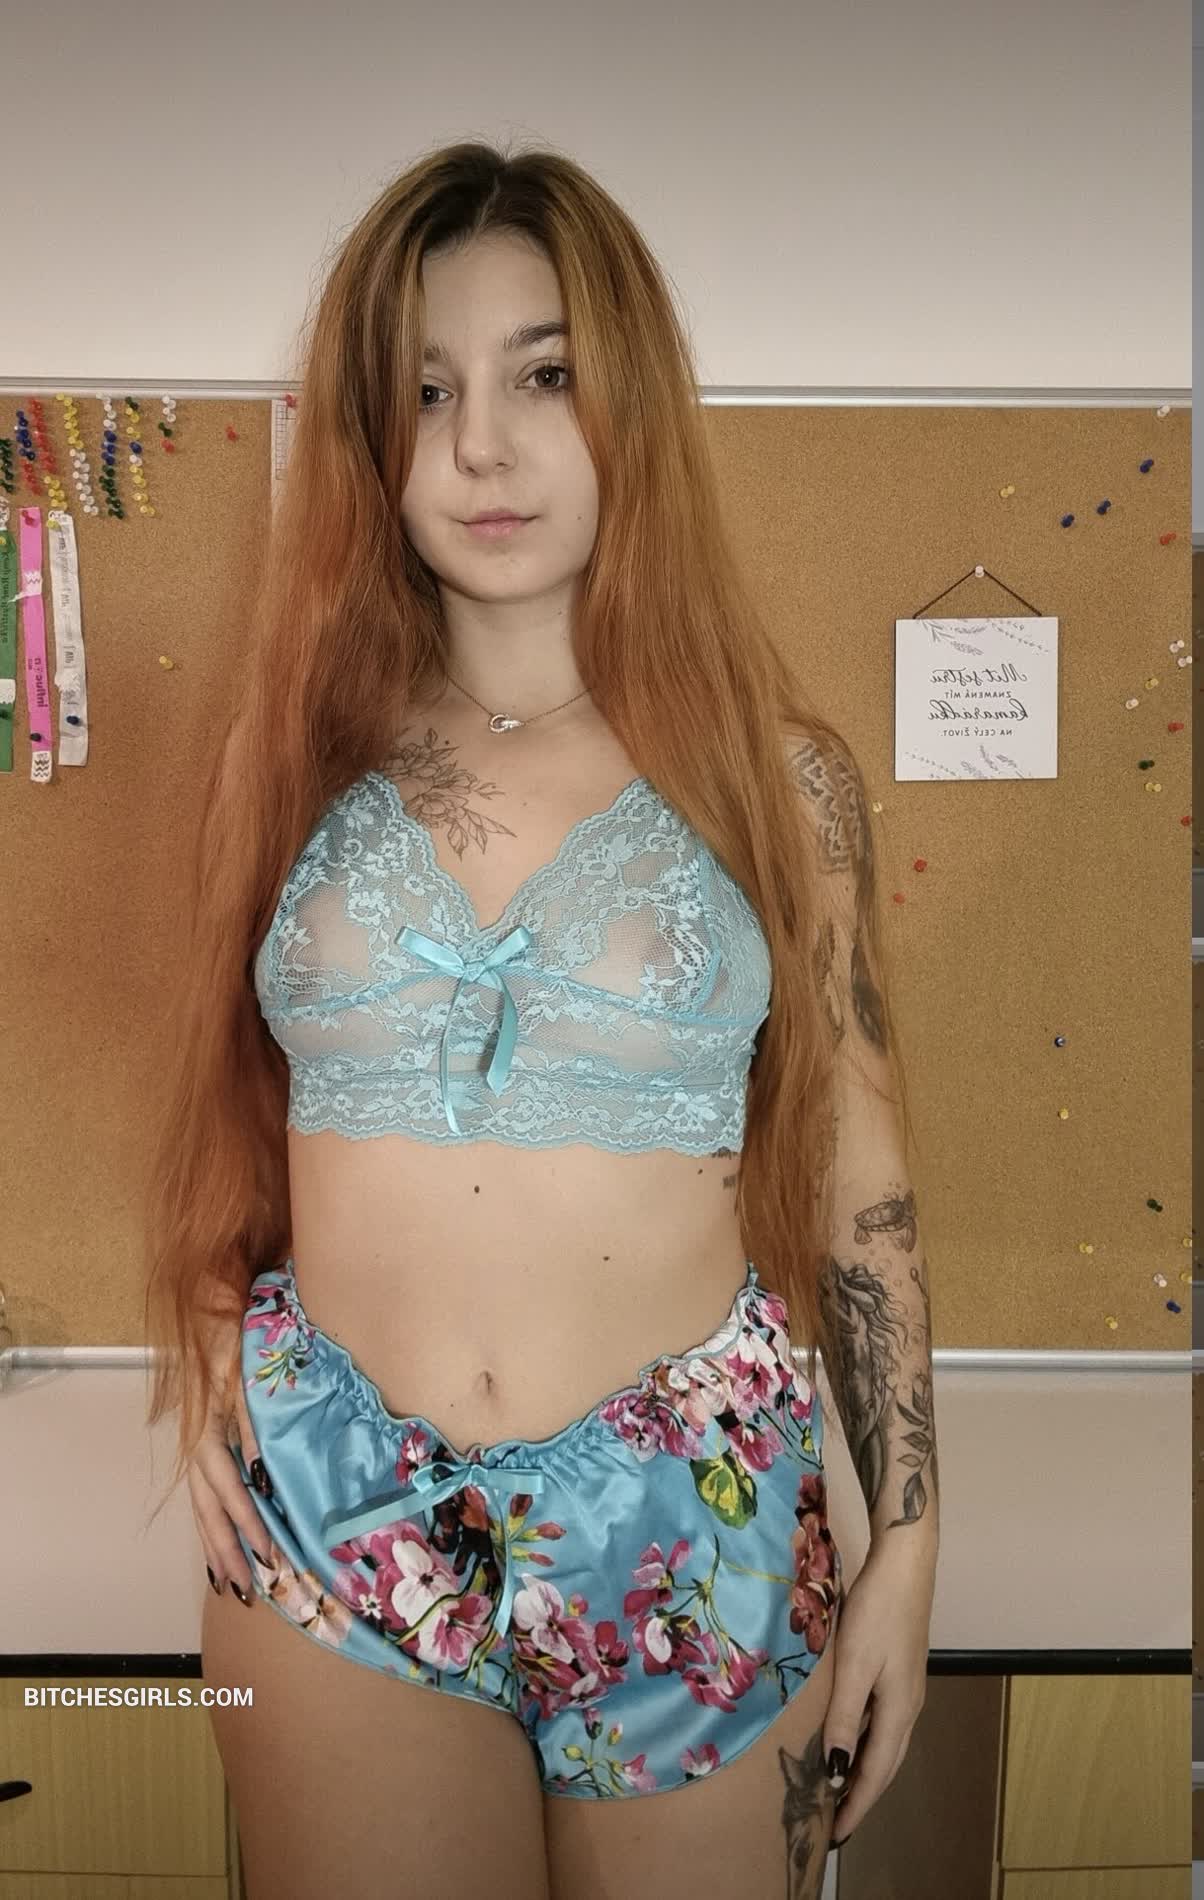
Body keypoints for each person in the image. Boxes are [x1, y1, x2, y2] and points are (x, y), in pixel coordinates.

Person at [143, 140, 938, 1900]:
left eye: (544, 375)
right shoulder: (290, 760)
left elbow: (862, 1183)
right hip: (337, 1515)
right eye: (427, 391)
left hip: (699, 1525)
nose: (482, 446)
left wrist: (910, 1547)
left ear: (628, 400)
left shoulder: (781, 780)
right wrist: (202, 1343)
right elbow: (231, 1102)